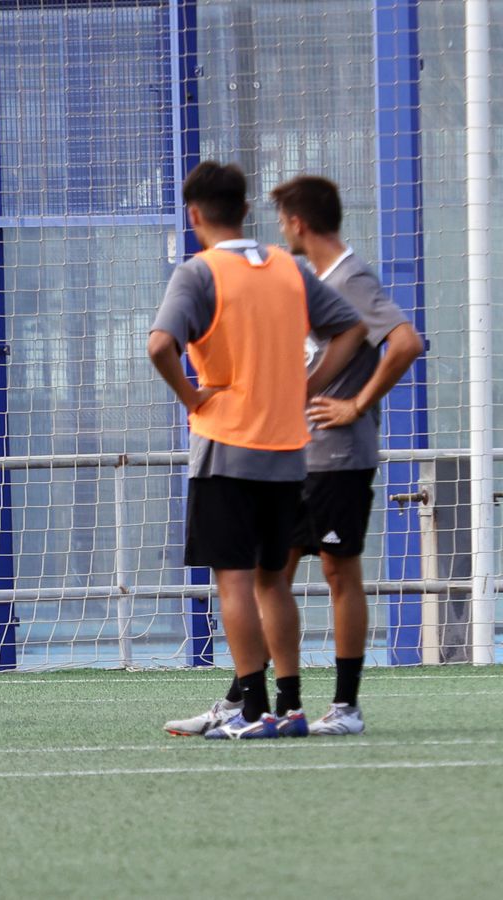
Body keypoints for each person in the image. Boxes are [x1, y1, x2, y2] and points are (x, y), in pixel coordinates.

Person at [165, 175, 423, 737]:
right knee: (268, 576)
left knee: (330, 573)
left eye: (285, 220)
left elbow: (404, 341)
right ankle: (256, 699)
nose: (281, 229)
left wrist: (355, 403)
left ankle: (342, 706)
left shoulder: (348, 278)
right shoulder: (297, 275)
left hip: (334, 456)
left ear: (298, 222)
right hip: (291, 450)